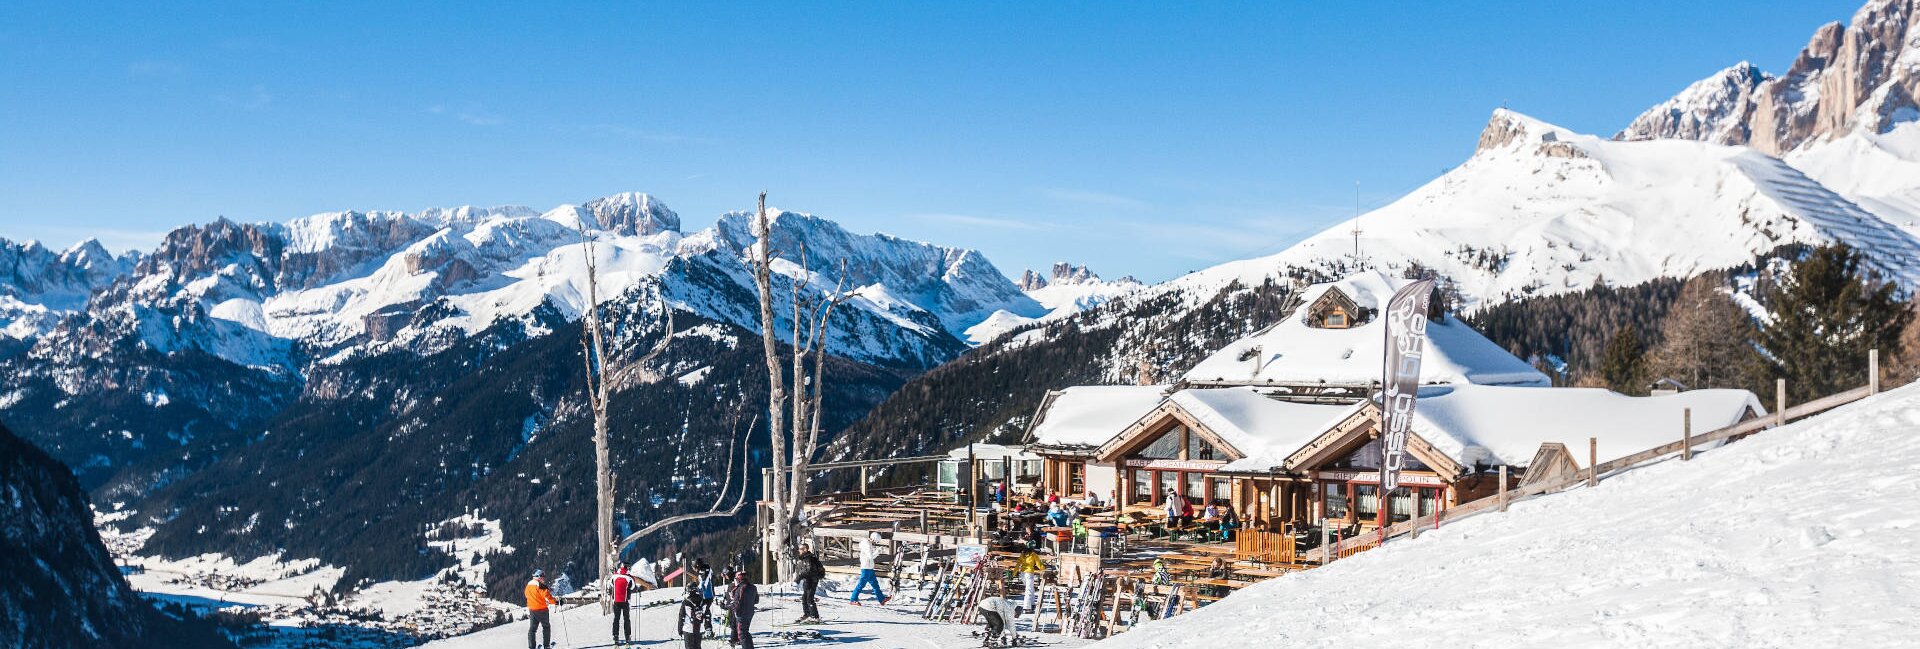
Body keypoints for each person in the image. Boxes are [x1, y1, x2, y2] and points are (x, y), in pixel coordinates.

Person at [524, 569, 558, 649]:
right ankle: (546, 646)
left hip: (532, 610)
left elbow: (526, 595)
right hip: (542, 609)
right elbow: (547, 596)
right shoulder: (540, 585)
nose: (544, 578)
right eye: (542, 576)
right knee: (546, 627)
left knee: (532, 629)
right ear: (538, 577)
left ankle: (531, 647)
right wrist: (556, 602)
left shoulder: (529, 585)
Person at [851, 532, 888, 605]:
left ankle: (882, 599)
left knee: (875, 584)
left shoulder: (868, 544)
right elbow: (871, 556)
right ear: (873, 539)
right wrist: (878, 551)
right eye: (876, 541)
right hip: (866, 568)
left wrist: (877, 551)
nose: (875, 543)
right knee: (861, 584)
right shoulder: (866, 545)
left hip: (869, 567)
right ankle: (853, 599)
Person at [727, 569, 759, 649]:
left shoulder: (740, 588)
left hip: (741, 613)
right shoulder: (753, 587)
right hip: (749, 612)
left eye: (736, 579)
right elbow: (756, 600)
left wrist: (726, 606)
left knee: (742, 634)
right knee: (745, 632)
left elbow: (736, 603)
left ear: (738, 579)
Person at [794, 544, 825, 623]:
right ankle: (807, 614)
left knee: (809, 598)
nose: (799, 550)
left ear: (805, 550)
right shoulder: (804, 558)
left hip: (812, 580)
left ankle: (815, 617)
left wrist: (799, 577)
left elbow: (809, 571)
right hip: (807, 580)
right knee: (804, 598)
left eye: (800, 549)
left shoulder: (809, 559)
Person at [609, 563, 638, 646]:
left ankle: (615, 636)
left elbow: (611, 584)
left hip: (616, 601)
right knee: (626, 619)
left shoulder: (614, 576)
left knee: (616, 619)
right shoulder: (629, 577)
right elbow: (632, 587)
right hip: (625, 601)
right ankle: (627, 637)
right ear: (627, 568)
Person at [1014, 548, 1046, 616]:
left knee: (1031, 588)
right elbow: (1039, 564)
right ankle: (1027, 608)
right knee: (1028, 590)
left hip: (1022, 574)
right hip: (1029, 574)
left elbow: (1018, 564)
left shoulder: (1022, 555)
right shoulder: (1034, 555)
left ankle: (1032, 603)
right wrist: (1044, 569)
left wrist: (1014, 572)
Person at [693, 558, 718, 637]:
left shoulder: (703, 571)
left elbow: (704, 584)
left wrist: (696, 590)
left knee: (702, 612)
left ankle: (708, 631)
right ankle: (708, 630)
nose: (694, 569)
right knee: (705, 611)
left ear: (697, 565)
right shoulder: (706, 569)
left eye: (694, 567)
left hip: (706, 596)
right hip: (707, 595)